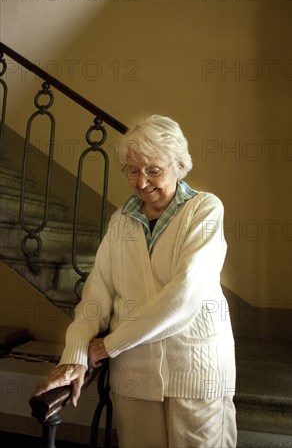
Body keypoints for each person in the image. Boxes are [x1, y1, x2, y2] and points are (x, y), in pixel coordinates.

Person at [36, 115, 237, 448]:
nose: (141, 182)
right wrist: (74, 356)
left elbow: (185, 294)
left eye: (153, 170)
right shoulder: (121, 222)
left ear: (179, 165)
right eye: (133, 170)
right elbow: (95, 298)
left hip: (197, 373)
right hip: (133, 379)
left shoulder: (204, 210)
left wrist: (107, 346)